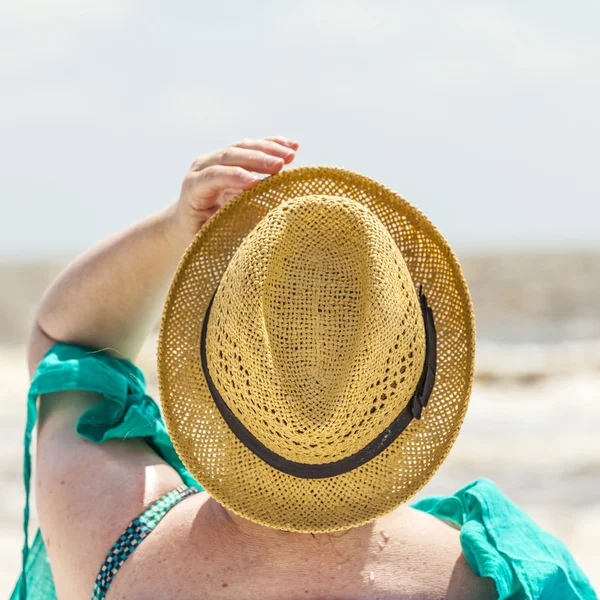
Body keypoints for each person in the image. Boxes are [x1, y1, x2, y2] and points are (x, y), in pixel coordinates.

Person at [12, 136, 596, 600]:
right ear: (415, 376)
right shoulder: (507, 578)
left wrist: (173, 228)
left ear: (212, 365)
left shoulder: (106, 533)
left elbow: (68, 341)